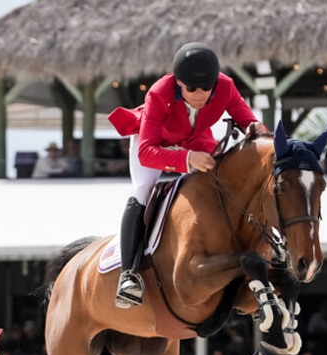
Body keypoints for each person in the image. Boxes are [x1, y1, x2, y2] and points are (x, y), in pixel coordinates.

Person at [107, 42, 262, 308]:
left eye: (206, 88)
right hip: (154, 144)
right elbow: (146, 152)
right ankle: (129, 274)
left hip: (194, 140)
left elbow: (249, 121)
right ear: (179, 82)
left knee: (224, 181)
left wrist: (258, 131)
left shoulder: (226, 86)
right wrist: (186, 159)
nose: (199, 94)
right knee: (143, 190)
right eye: (191, 88)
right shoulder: (159, 92)